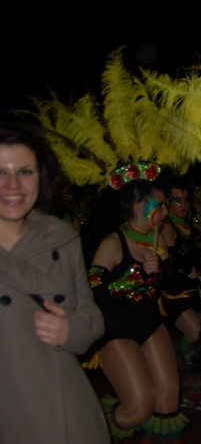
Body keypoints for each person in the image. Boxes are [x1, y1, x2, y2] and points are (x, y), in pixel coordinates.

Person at [0, 123, 109, 444]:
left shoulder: (61, 238)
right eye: (1, 172)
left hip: (66, 409)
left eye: (25, 171)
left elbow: (92, 320)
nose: (13, 185)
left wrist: (69, 330)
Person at [86, 172, 187, 442]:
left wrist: (177, 268)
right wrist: (136, 275)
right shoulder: (112, 242)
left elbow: (171, 287)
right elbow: (93, 290)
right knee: (141, 406)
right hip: (117, 329)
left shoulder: (158, 238)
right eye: (160, 205)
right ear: (140, 205)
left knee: (168, 400)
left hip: (150, 323)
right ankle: (93, 430)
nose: (165, 211)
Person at [160, 176, 201, 411]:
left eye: (186, 199)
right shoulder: (167, 226)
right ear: (167, 202)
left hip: (192, 294)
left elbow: (194, 258)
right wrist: (183, 272)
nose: (184, 204)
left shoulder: (185, 225)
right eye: (177, 199)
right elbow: (166, 268)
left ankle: (182, 387)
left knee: (193, 342)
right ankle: (189, 393)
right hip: (174, 298)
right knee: (197, 336)